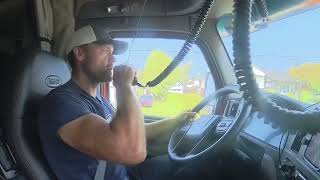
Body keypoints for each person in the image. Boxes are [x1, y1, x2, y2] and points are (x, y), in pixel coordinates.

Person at [38, 25, 195, 180]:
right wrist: (123, 86)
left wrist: (175, 121)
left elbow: (133, 131)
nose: (113, 58)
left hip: (127, 173)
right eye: (106, 50)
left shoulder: (99, 99)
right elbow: (132, 150)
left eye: (113, 53)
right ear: (80, 53)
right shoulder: (61, 103)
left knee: (190, 164)